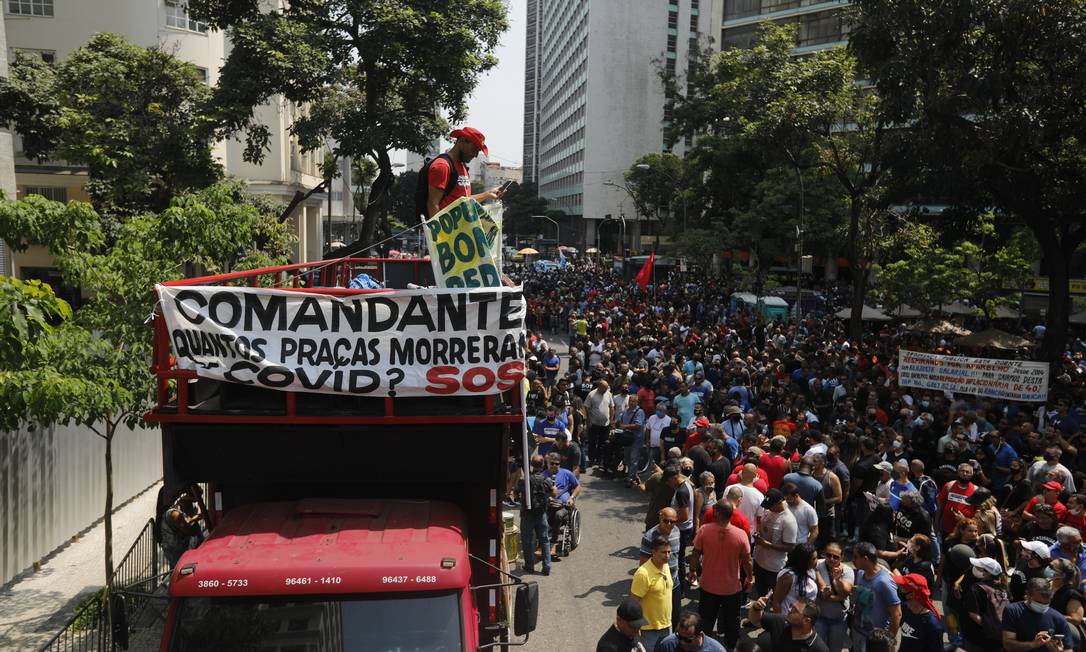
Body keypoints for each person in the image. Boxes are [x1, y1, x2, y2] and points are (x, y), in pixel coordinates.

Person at [688, 501, 751, 648]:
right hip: (731, 588)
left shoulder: (704, 530)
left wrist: (692, 570)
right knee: (732, 620)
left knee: (706, 619)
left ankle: (704, 645)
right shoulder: (740, 534)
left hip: (708, 585)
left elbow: (695, 553)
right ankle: (730, 645)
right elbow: (747, 560)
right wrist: (749, 577)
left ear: (717, 513)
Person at [424, 126, 505, 217]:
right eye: (474, 149)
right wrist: (438, 231)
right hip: (447, 230)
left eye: (478, 151)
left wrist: (487, 194)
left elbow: (464, 201)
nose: (475, 155)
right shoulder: (442, 166)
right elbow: (432, 204)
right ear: (462, 141)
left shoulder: (462, 167)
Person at [850, 541, 902, 652]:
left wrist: (888, 641)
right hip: (858, 632)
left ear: (865, 559)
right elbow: (855, 601)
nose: (852, 560)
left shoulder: (884, 582)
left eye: (855, 557)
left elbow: (896, 614)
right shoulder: (860, 574)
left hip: (875, 641)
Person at [1001, 577, 1074, 651]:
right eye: (1038, 603)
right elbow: (1007, 644)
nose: (1042, 606)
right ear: (1028, 595)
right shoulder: (1013, 611)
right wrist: (1032, 644)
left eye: (1046, 603)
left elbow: (1068, 649)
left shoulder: (1058, 618)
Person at [753, 488, 799, 598]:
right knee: (760, 593)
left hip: (774, 567)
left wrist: (767, 545)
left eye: (770, 506)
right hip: (759, 561)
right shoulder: (768, 511)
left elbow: (790, 547)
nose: (767, 508)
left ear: (779, 503)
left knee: (777, 596)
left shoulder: (788, 520)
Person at [632, 536, 675, 651]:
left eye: (669, 552)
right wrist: (636, 628)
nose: (667, 556)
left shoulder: (665, 566)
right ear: (653, 552)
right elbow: (633, 603)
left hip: (667, 626)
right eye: (663, 552)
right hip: (648, 630)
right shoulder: (643, 574)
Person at [640, 507, 682, 624]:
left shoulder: (677, 532)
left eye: (672, 522)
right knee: (660, 619)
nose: (669, 524)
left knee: (675, 616)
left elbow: (677, 555)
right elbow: (643, 565)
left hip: (674, 583)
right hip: (658, 587)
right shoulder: (649, 537)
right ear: (660, 518)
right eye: (666, 521)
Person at [746, 594, 829, 652]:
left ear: (806, 621)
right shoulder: (781, 621)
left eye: (795, 611)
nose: (789, 611)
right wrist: (756, 608)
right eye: (791, 607)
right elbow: (756, 620)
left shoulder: (818, 648)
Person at [518, 454, 555, 576]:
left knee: (527, 541)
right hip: (541, 514)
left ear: (532, 465)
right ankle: (547, 567)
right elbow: (554, 492)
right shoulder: (547, 480)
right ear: (543, 465)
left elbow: (516, 492)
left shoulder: (525, 481)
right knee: (544, 540)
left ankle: (529, 566)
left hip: (527, 514)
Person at [814, 541, 854, 652]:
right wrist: (837, 598)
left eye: (836, 557)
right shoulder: (817, 565)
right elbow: (820, 593)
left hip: (839, 620)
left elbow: (846, 592)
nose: (831, 559)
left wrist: (838, 579)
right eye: (828, 555)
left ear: (842, 557)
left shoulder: (848, 571)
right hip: (819, 619)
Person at [961, 556, 1007, 652]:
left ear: (987, 572)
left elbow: (973, 614)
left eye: (979, 567)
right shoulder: (1003, 587)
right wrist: (997, 629)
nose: (975, 568)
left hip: (977, 639)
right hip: (998, 640)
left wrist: (990, 627)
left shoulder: (976, 589)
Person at [893, 573, 944, 652]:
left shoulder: (933, 626)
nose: (900, 590)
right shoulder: (906, 609)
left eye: (903, 588)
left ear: (912, 594)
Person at [159, 489, 204, 569]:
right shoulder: (174, 513)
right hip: (179, 551)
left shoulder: (166, 512)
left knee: (174, 571)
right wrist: (195, 518)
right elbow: (186, 529)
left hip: (172, 550)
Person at [772, 543, 819, 616]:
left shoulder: (811, 571)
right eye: (813, 559)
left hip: (803, 621)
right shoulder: (788, 576)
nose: (817, 561)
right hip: (787, 620)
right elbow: (776, 602)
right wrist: (780, 623)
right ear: (804, 561)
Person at [936, 462, 978, 537]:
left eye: (967, 472)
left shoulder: (975, 491)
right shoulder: (949, 486)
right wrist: (936, 524)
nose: (964, 474)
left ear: (972, 475)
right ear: (958, 472)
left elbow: (978, 514)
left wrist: (964, 520)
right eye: (962, 471)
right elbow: (940, 507)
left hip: (965, 533)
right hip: (947, 530)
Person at [652, 611, 726, 652]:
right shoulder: (667, 645)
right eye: (679, 636)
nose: (682, 642)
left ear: (700, 635)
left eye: (687, 639)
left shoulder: (716, 649)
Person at [585, 380, 615, 469]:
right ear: (599, 387)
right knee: (592, 442)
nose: (605, 390)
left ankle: (599, 459)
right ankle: (591, 459)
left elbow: (612, 407)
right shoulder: (591, 394)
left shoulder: (608, 394)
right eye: (604, 388)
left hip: (605, 424)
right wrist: (588, 420)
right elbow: (586, 408)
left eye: (606, 388)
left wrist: (611, 419)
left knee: (603, 443)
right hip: (594, 424)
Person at [1051, 525, 1086, 591]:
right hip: (1062, 595)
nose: (1080, 544)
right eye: (1075, 542)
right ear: (1064, 544)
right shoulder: (1051, 553)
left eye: (1080, 540)